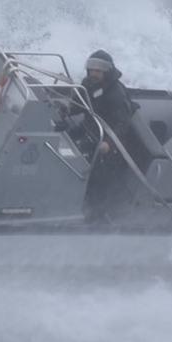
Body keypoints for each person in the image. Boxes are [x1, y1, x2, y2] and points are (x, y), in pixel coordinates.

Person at [66, 50, 145, 222]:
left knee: (99, 176)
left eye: (98, 70)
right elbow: (79, 105)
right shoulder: (88, 84)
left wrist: (108, 143)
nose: (94, 73)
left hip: (112, 141)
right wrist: (65, 108)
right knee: (65, 136)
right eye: (92, 69)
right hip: (90, 129)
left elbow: (121, 124)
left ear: (106, 72)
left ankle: (97, 214)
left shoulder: (115, 94)